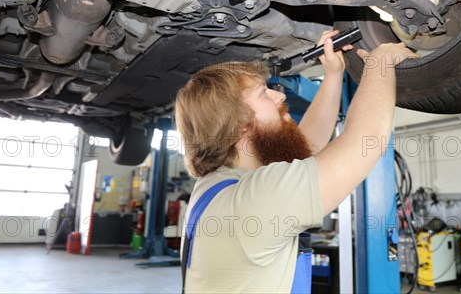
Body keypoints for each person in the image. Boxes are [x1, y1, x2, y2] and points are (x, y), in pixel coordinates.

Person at [175, 30, 418, 293]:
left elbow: (304, 147)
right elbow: (365, 140)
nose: (279, 96)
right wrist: (381, 62)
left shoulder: (218, 185)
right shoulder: (254, 201)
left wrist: (334, 75)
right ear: (238, 124)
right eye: (263, 93)